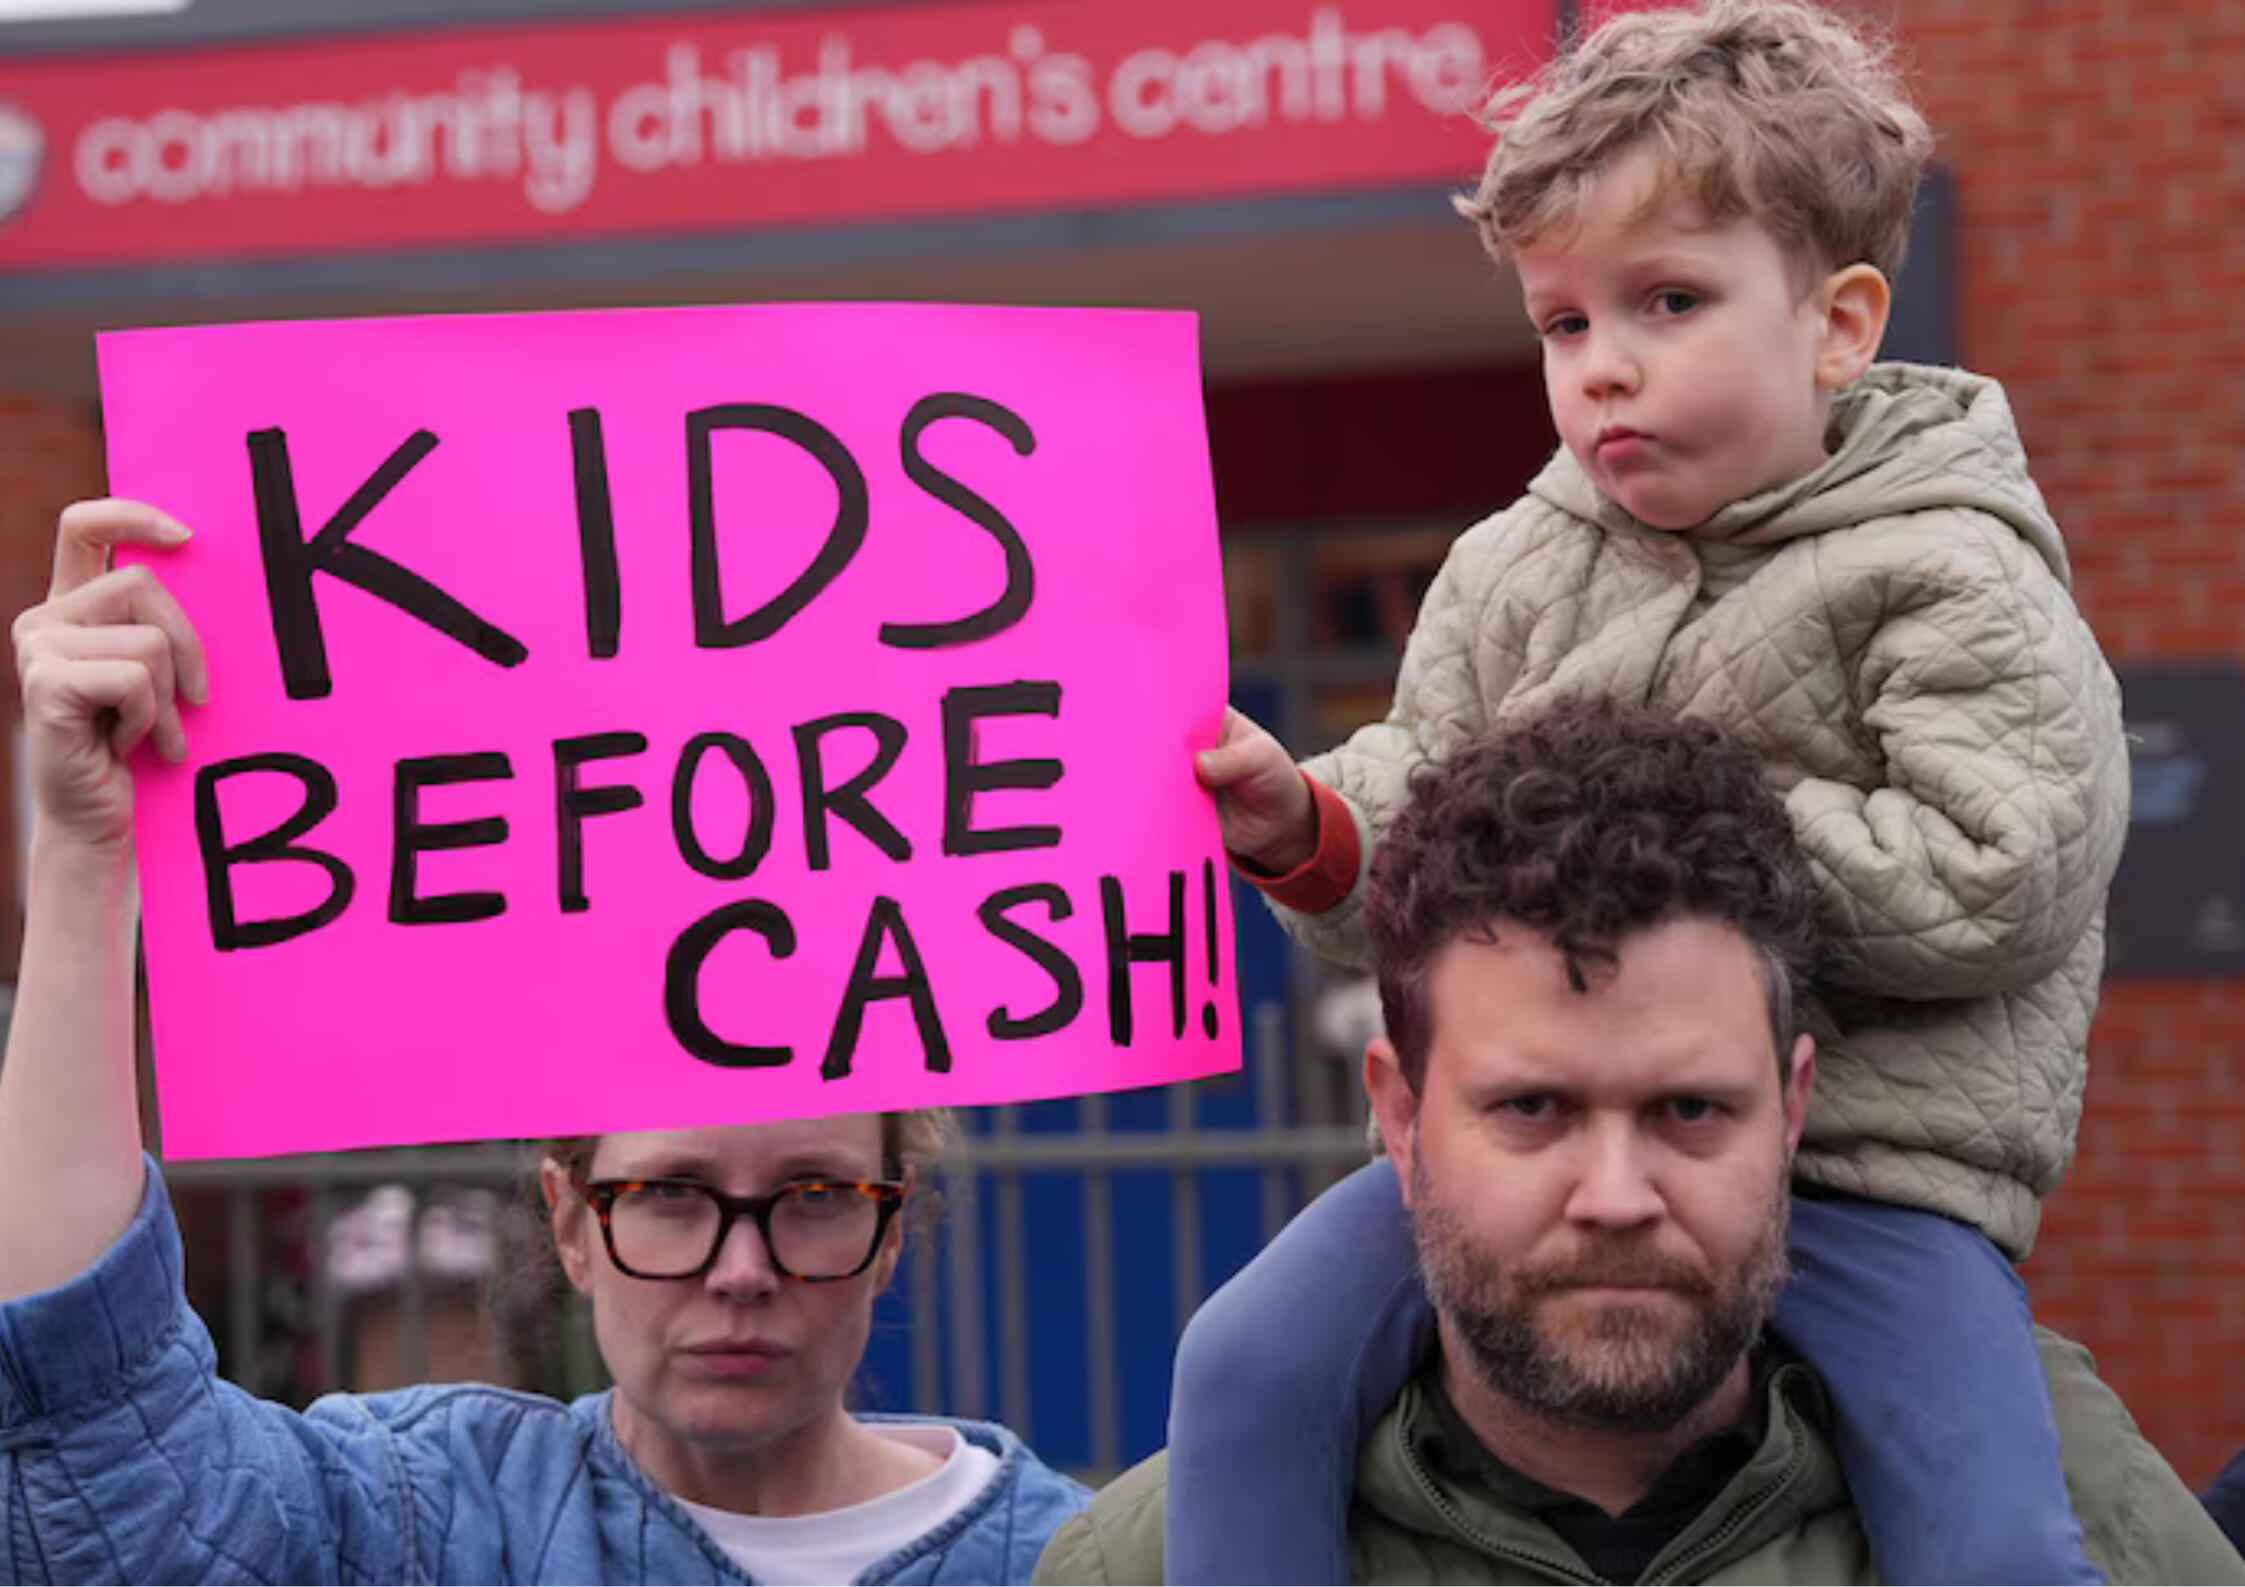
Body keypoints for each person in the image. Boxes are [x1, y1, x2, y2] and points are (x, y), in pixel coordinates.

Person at [1175, 2, 2130, 1580]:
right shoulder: (1515, 563)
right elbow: (1430, 811)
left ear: (1838, 323)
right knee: (1243, 1361)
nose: (1604, 367)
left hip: (1876, 1177)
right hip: (1537, 1162)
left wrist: (1663, 829)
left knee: (1997, 1521)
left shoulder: (1951, 568)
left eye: (1667, 301)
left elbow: (1998, 873)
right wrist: (1312, 828)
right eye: (1563, 324)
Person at [0, 498, 1087, 1584]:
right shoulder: (427, 1523)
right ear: (569, 1221)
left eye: (814, 1196)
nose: (742, 1271)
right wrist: (83, 855)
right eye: (671, 1195)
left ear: (890, 1229)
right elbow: (108, 1486)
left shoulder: (1087, 1561)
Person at [1037, 703, 2237, 1584]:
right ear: (1398, 1117)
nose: (1615, 1196)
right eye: (1532, 1109)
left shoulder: (2103, 1531)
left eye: (1689, 1111)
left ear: (1794, 1108)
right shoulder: (1138, 1570)